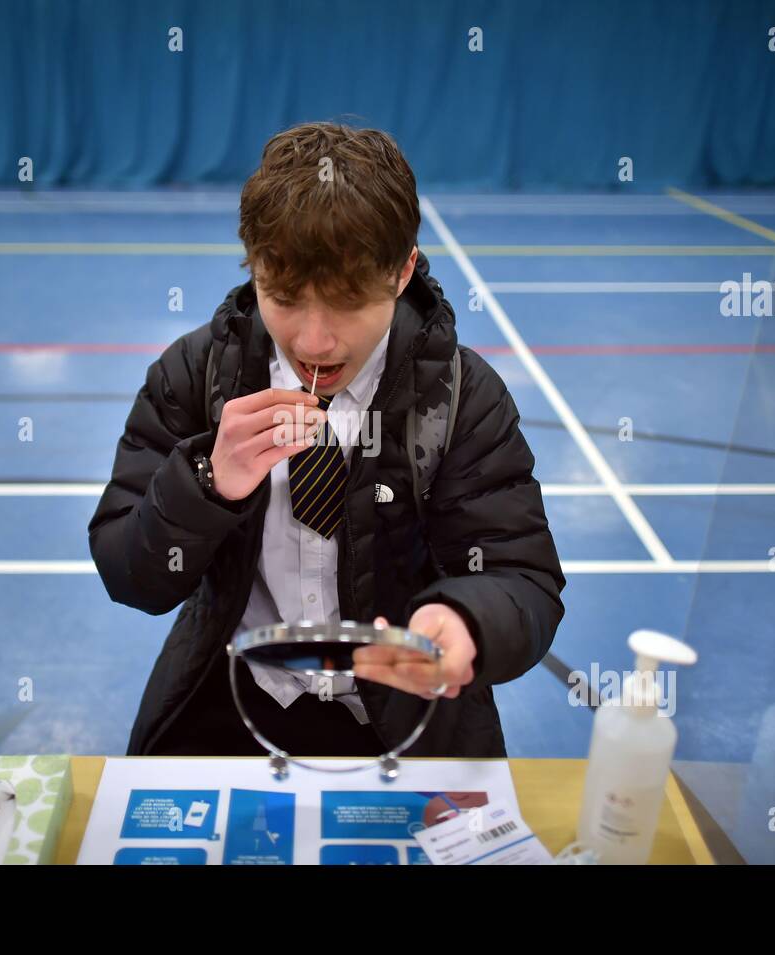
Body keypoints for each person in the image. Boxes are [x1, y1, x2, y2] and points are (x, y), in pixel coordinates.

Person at [89, 121, 565, 758]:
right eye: (283, 297)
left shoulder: (460, 396)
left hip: (403, 714)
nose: (313, 341)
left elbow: (522, 580)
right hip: (231, 698)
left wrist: (466, 621)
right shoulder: (197, 374)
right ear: (254, 269)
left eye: (346, 302)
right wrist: (207, 481)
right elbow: (130, 574)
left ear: (402, 273)